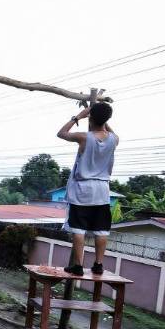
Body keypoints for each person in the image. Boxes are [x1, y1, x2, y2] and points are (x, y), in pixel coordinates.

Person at [57, 101, 118, 275]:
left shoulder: (84, 137)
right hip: (102, 189)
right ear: (107, 119)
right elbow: (107, 129)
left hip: (83, 189)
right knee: (101, 229)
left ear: (90, 117)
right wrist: (99, 117)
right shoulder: (114, 139)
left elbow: (61, 133)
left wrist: (78, 117)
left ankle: (78, 266)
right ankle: (98, 265)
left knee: (78, 228)